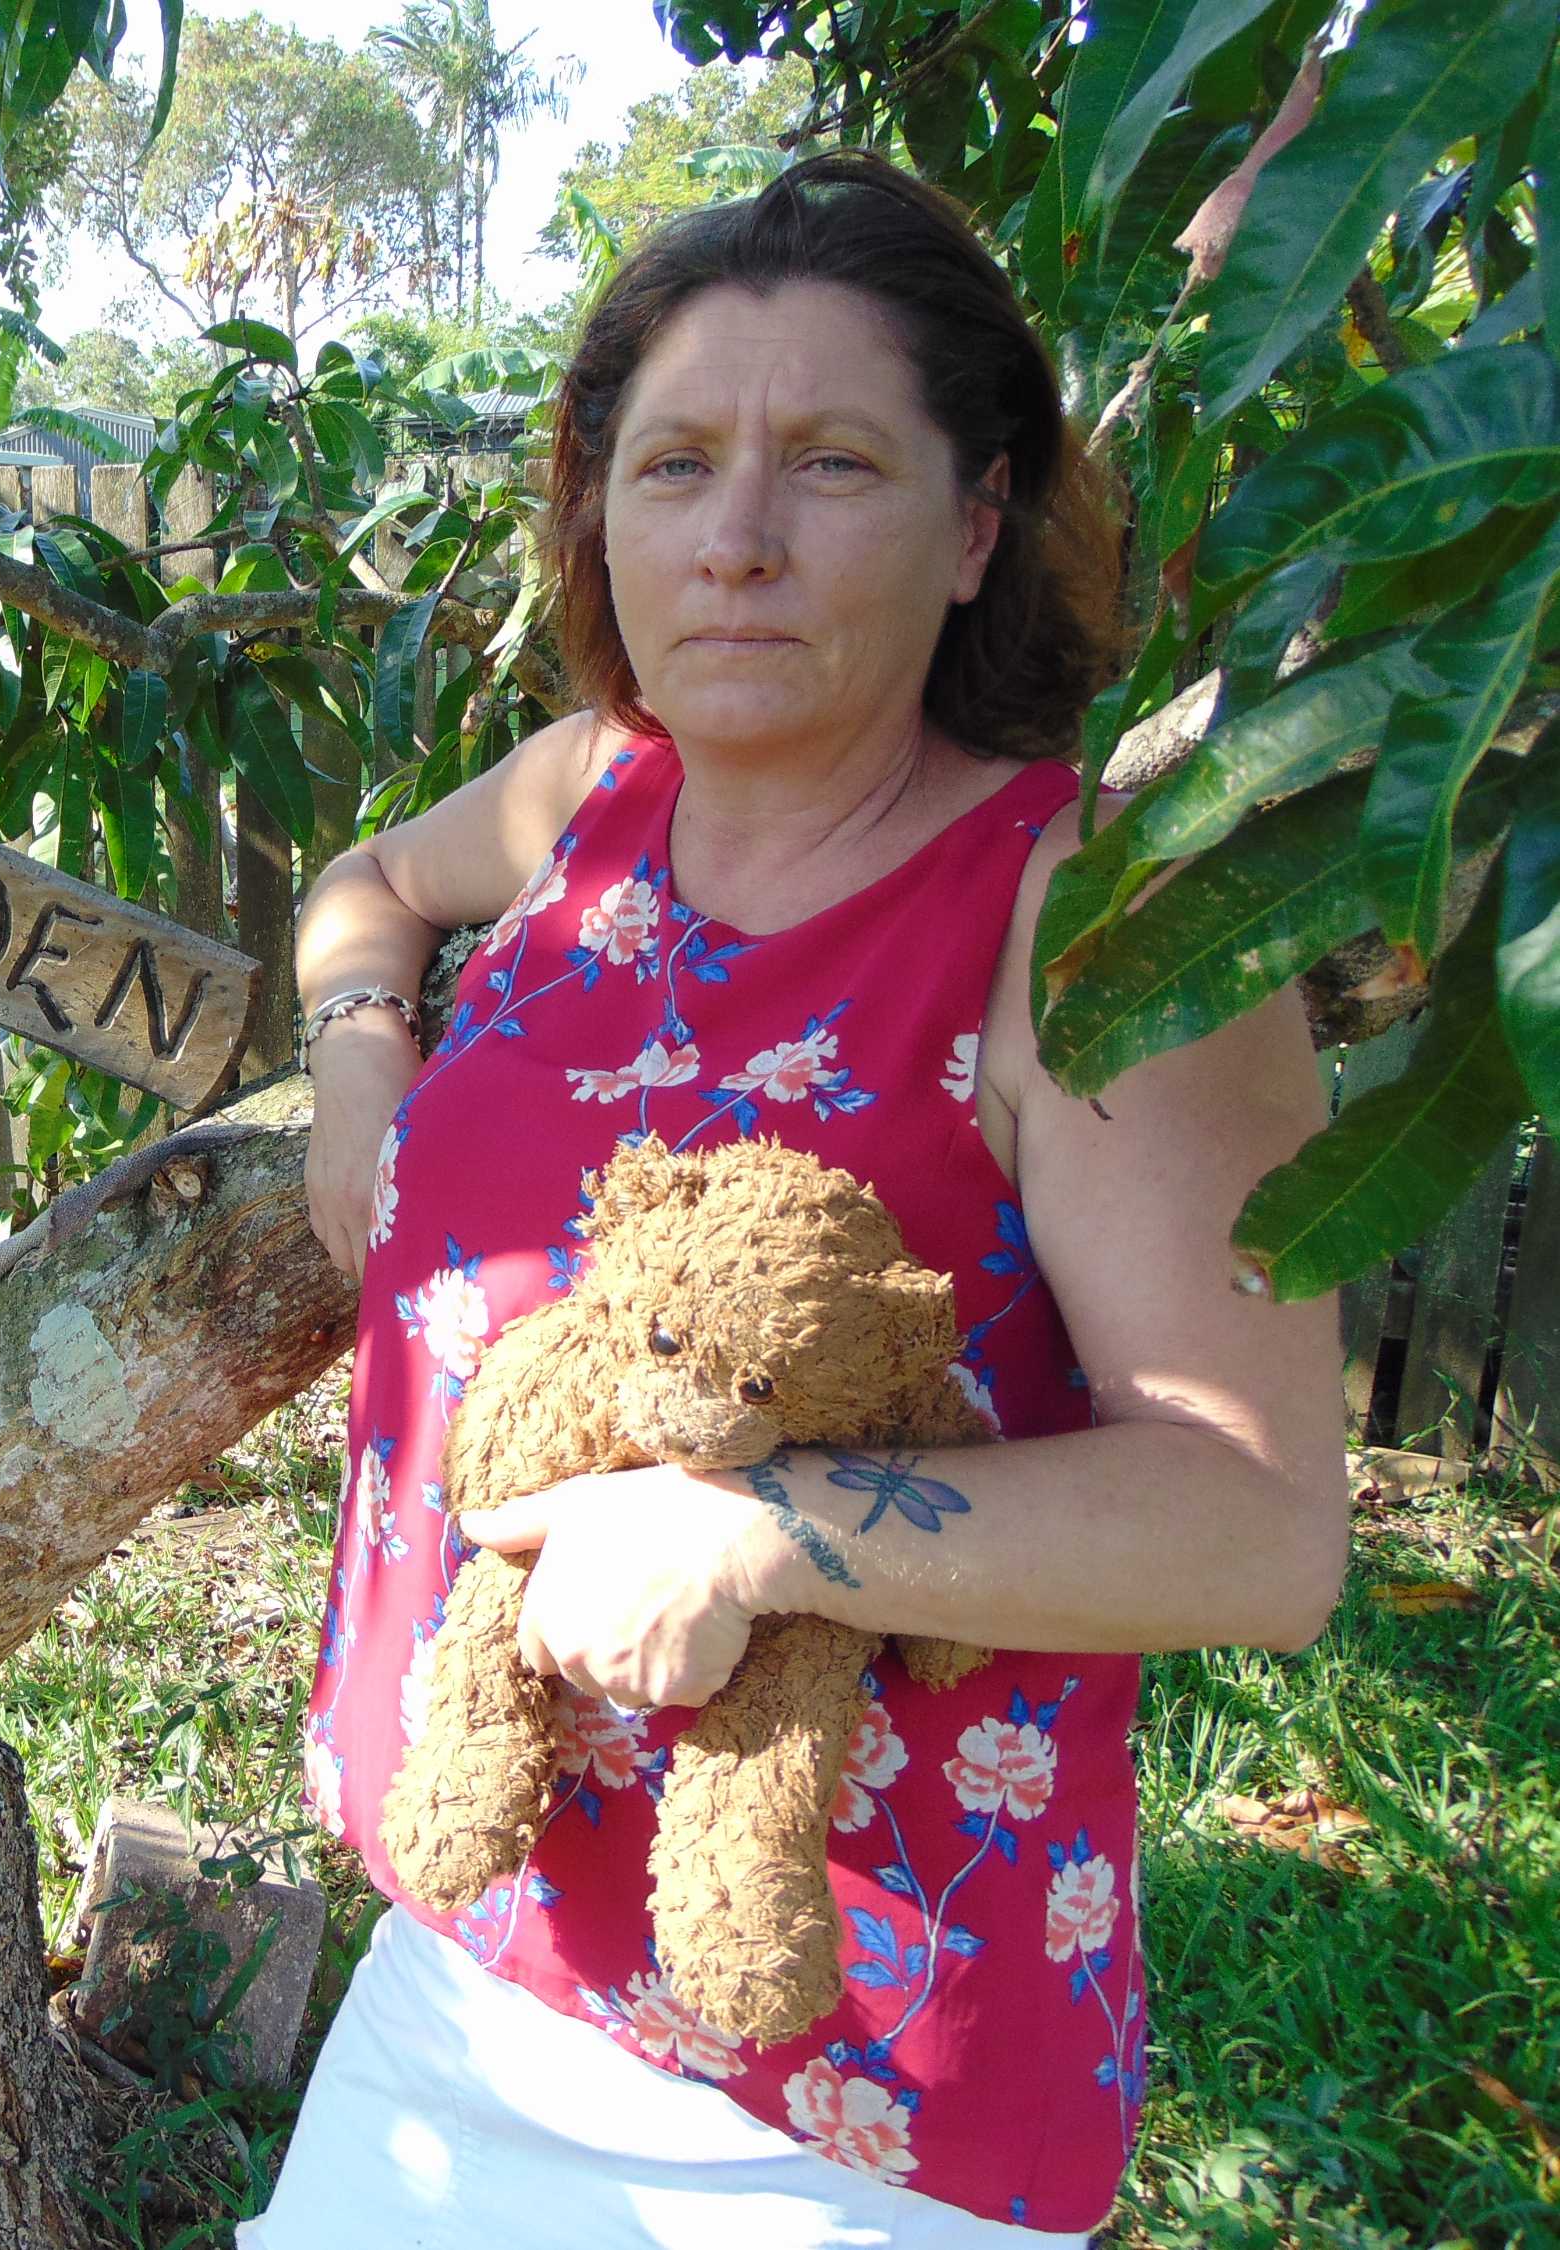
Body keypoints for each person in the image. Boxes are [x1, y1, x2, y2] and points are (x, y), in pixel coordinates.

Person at [252, 153, 1346, 2249]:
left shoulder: (1091, 924)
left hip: (849, 2080)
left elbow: (1264, 1523)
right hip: (471, 1952)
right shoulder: (603, 791)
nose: (736, 541)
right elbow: (366, 887)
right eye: (673, 467)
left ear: (977, 521)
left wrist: (769, 1531)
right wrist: (358, 1057)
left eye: (831, 464)